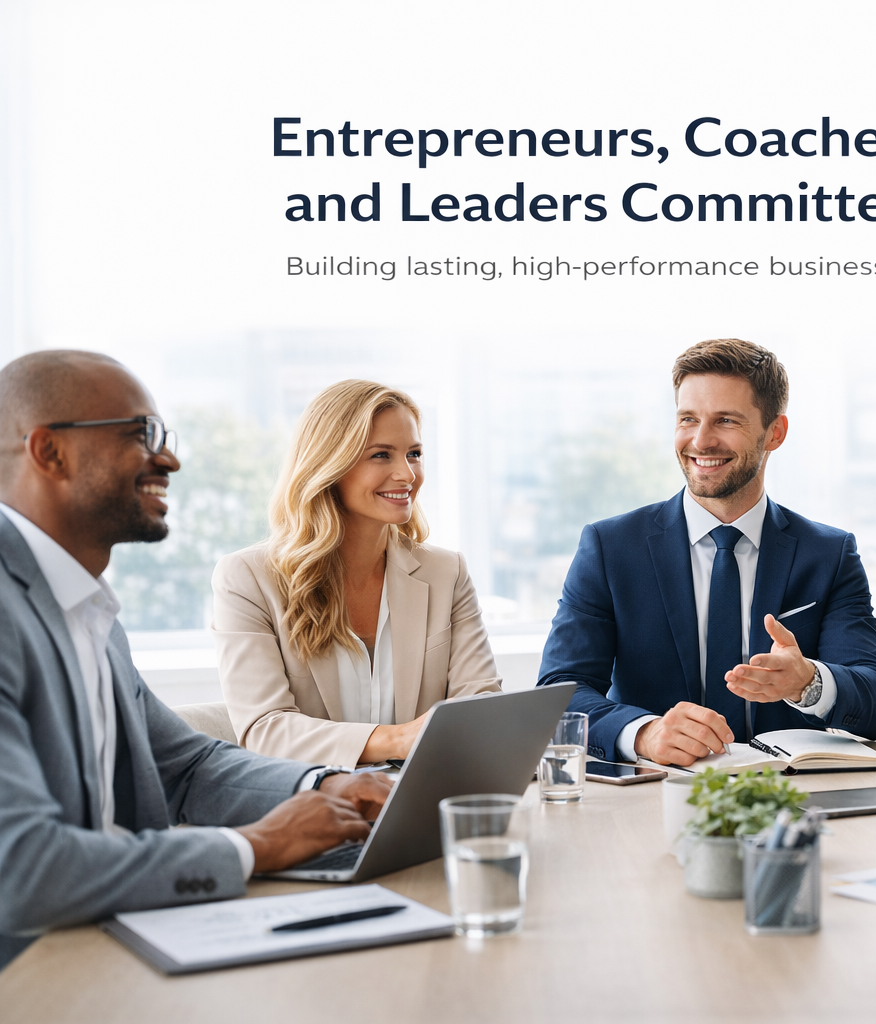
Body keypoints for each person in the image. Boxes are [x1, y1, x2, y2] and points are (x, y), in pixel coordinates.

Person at [0, 351, 392, 970]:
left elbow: (184, 767)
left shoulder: (84, 608)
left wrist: (326, 787)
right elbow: (20, 868)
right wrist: (256, 846)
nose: (169, 459)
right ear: (50, 452)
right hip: (35, 975)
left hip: (111, 942)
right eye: (140, 434)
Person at [536, 339, 876, 765]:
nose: (701, 441)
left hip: (788, 800)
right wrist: (644, 734)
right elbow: (560, 691)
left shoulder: (829, 553)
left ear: (775, 433)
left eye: (725, 420)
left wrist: (809, 682)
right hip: (654, 794)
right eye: (688, 419)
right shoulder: (610, 547)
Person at [213, 380, 501, 768]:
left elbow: (482, 706)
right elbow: (266, 729)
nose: (407, 474)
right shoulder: (248, 578)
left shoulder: (446, 572)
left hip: (423, 801)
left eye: (414, 454)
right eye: (381, 455)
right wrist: (397, 739)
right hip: (310, 808)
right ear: (329, 464)